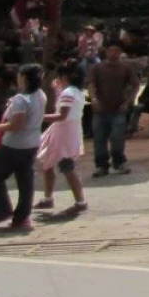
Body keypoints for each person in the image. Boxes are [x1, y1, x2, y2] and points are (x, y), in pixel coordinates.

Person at [0, 63, 46, 232]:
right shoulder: (40, 95)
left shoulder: (21, 99)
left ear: (23, 78)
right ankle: (22, 217)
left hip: (14, 144)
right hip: (32, 143)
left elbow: (16, 125)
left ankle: (2, 212)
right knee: (25, 180)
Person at [35, 63, 88, 216]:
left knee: (66, 166)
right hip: (67, 130)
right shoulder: (76, 91)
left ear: (64, 77)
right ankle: (48, 198)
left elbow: (61, 115)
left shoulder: (68, 93)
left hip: (64, 131)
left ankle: (80, 201)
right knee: (48, 162)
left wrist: (38, 117)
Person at [87, 44, 136, 177]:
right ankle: (101, 165)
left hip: (119, 108)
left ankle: (119, 162)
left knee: (117, 137)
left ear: (120, 52)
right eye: (111, 50)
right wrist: (94, 99)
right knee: (99, 138)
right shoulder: (97, 68)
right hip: (100, 109)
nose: (113, 53)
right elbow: (91, 85)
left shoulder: (126, 68)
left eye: (116, 50)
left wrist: (128, 102)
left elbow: (135, 85)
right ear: (106, 51)